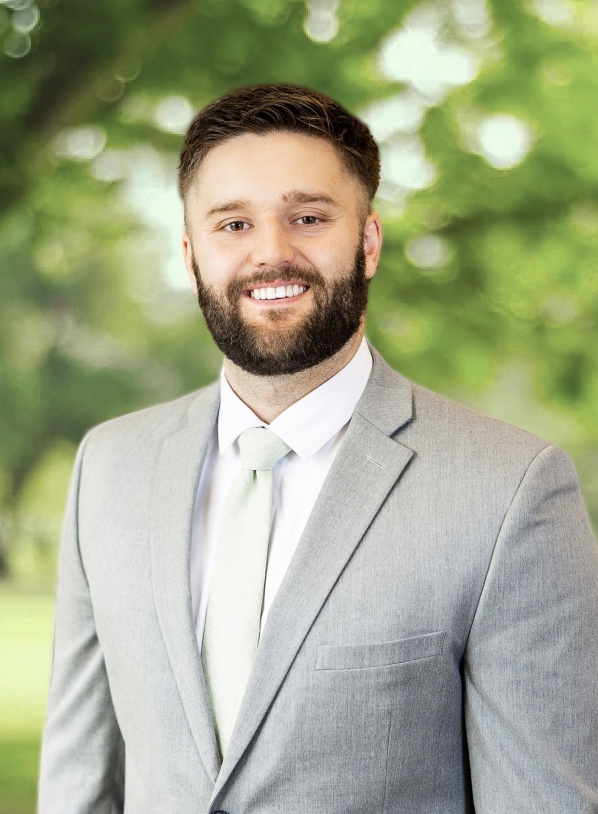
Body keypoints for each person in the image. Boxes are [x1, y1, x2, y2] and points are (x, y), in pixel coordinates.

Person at [38, 84, 598, 814]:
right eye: (232, 223)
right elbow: (78, 784)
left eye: (307, 217)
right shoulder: (108, 467)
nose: (271, 252)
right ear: (190, 254)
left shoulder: (511, 490)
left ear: (368, 242)